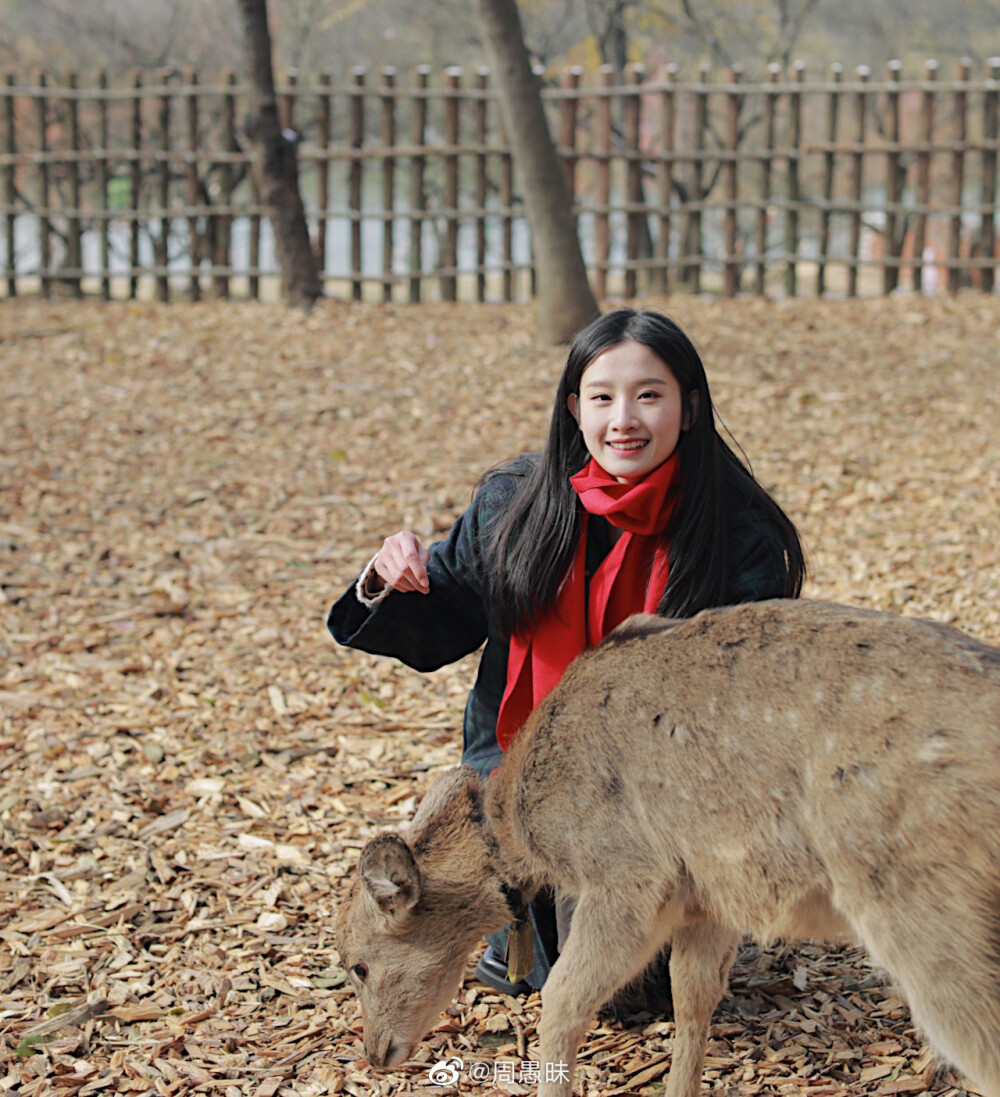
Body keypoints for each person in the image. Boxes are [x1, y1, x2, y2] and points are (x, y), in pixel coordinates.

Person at [328, 307, 805, 1013]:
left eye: (650, 394)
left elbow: (748, 713)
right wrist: (383, 580)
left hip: (658, 799)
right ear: (574, 407)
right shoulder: (514, 501)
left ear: (690, 406)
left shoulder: (742, 534)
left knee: (621, 998)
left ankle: (687, 918)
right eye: (602, 396)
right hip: (519, 783)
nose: (624, 419)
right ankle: (517, 924)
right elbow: (442, 625)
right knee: (456, 932)